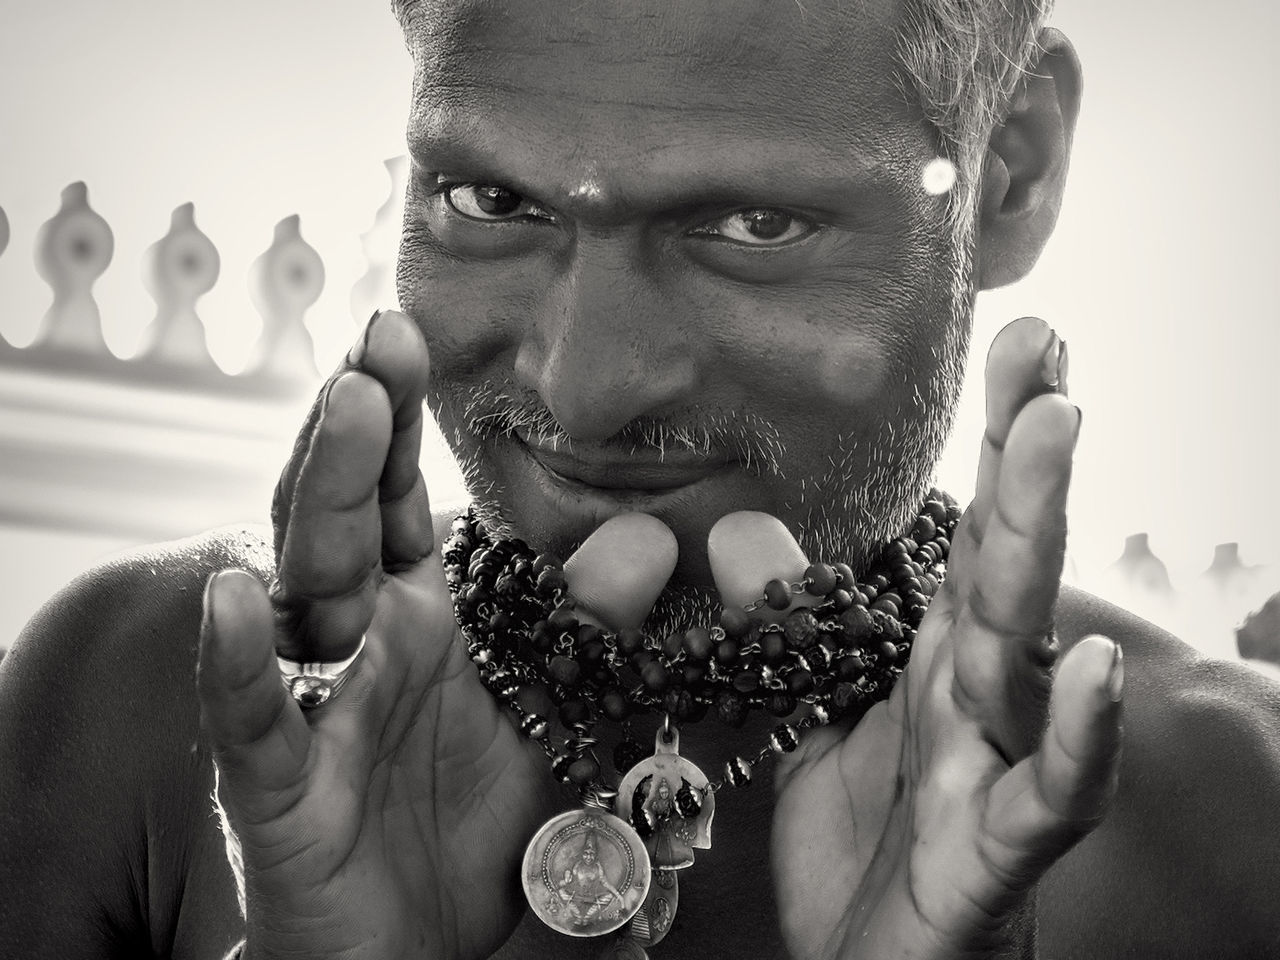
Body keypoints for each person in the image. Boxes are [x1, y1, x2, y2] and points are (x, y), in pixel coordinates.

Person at [1, 1, 1277, 958]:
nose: (581, 390)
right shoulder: (120, 709)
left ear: (1005, 170)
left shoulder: (1235, 823)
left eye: (752, 225)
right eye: (490, 197)